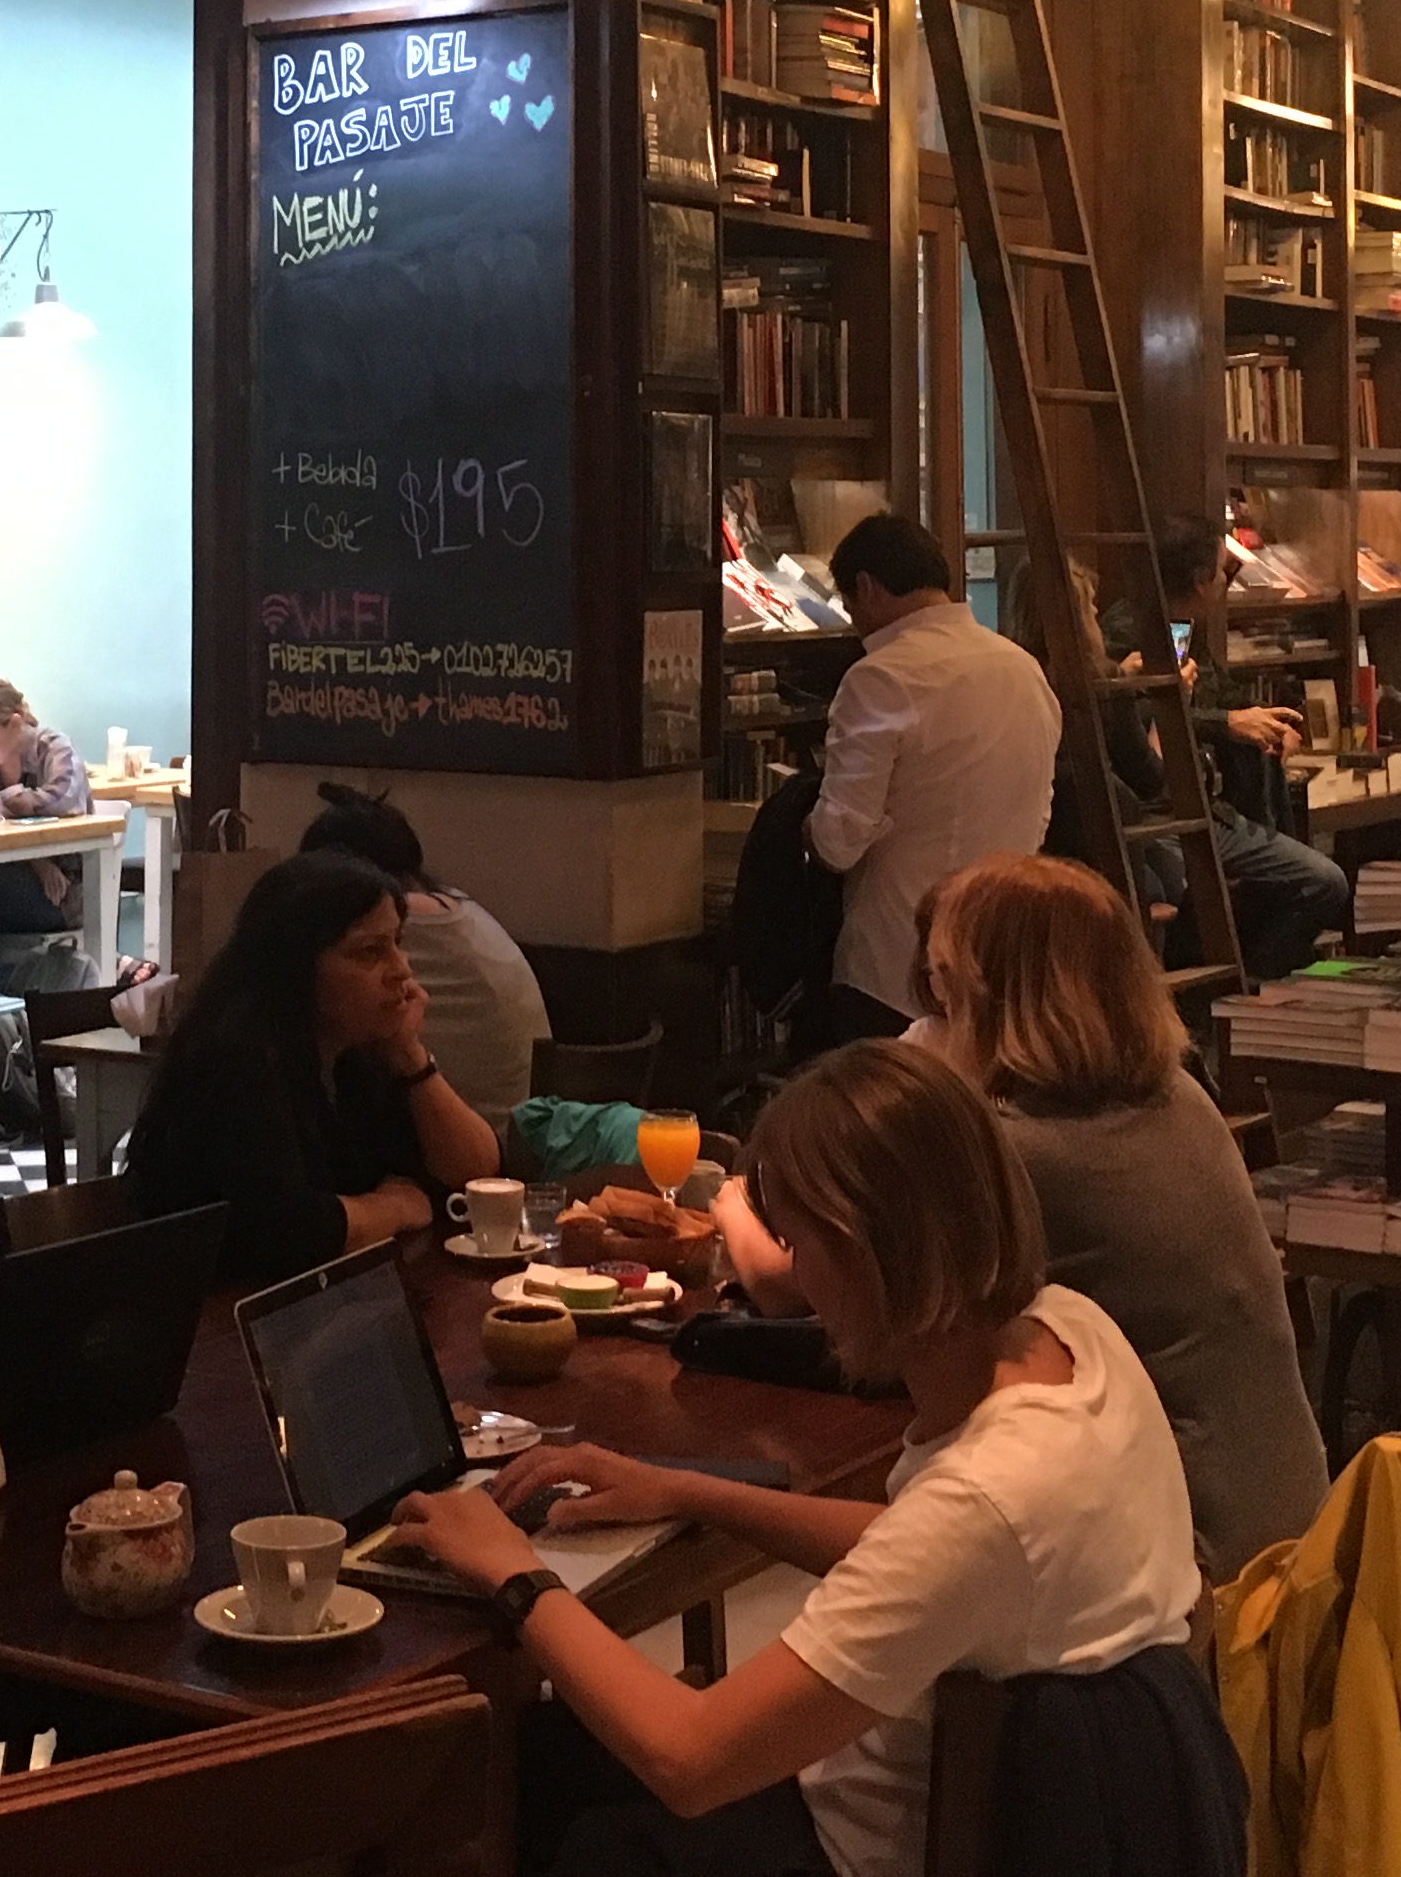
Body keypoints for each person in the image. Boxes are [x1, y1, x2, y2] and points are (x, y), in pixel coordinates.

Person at [388, 1041, 1227, 1877]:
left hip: (854, 1852)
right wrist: (688, 1490)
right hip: (1045, 1802)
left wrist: (515, 1574)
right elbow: (917, 1545)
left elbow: (690, 1761)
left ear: (872, 1246)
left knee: (535, 1793)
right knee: (551, 1752)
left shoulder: (985, 1501)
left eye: (798, 1242)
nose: (791, 1275)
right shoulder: (1072, 1331)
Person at [920, 855, 1326, 1575]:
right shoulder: (1178, 1097)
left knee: (925, 1561)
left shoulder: (1019, 1148)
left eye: (946, 992)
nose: (935, 1014)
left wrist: (734, 1215)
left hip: (1193, 1568)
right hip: (1290, 1526)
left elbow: (875, 1312)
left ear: (989, 998)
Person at [123, 851, 504, 1280]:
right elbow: (292, 1234)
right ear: (296, 968)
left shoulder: (354, 1057)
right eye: (369, 952)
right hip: (212, 1324)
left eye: (398, 942)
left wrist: (409, 1054)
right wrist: (392, 1207)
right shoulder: (236, 1061)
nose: (401, 970)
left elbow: (474, 1173)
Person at [808, 514, 1058, 1045]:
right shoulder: (1022, 667)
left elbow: (839, 842)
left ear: (868, 588)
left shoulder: (880, 676)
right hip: (998, 951)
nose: (855, 624)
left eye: (851, 607)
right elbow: (1038, 815)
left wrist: (804, 830)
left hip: (897, 966)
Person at [1145, 517, 1356, 980]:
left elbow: (1223, 694)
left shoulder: (1189, 626)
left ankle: (1252, 987)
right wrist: (1229, 723)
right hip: (1159, 812)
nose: (1227, 581)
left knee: (1323, 882)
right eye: (1225, 572)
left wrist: (1271, 721)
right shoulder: (1137, 631)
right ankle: (1225, 998)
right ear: (1202, 581)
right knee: (1189, 902)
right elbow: (1143, 717)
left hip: (1210, 808)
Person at [299, 781, 555, 1118]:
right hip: (526, 1124)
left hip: (490, 1135)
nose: (400, 967)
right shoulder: (456, 906)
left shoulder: (380, 925)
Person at [0, 678, 93, 936]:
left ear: (15, 724)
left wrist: (1, 802)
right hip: (15, 870)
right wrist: (38, 862)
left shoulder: (55, 748)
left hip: (64, 892)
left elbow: (63, 801)